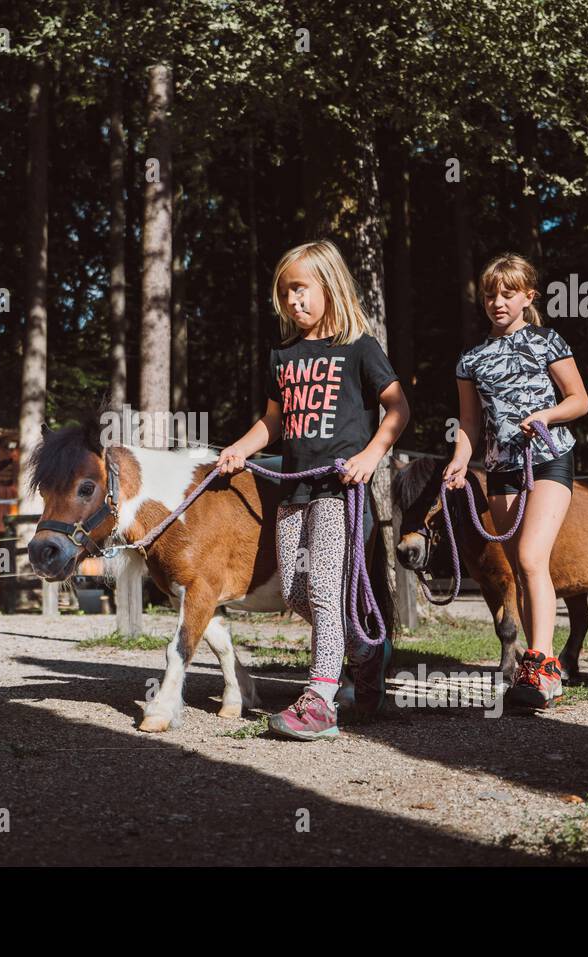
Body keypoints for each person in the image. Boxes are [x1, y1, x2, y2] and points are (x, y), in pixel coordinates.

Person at [216, 240, 410, 740]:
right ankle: (367, 651)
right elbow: (273, 422)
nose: (292, 302)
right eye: (285, 294)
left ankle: (320, 700)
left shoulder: (360, 348)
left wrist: (370, 456)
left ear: (329, 285)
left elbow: (398, 409)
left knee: (325, 589)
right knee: (299, 593)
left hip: (339, 489)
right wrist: (240, 448)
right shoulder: (283, 354)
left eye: (300, 289)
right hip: (295, 489)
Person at [446, 252, 588, 711]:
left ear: (529, 296)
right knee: (521, 574)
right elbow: (470, 424)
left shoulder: (548, 341)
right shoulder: (471, 359)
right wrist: (458, 459)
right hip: (501, 470)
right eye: (491, 294)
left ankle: (542, 666)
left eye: (508, 293)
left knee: (531, 556)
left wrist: (545, 415)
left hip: (549, 458)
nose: (498, 302)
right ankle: (539, 671)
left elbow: (579, 400)